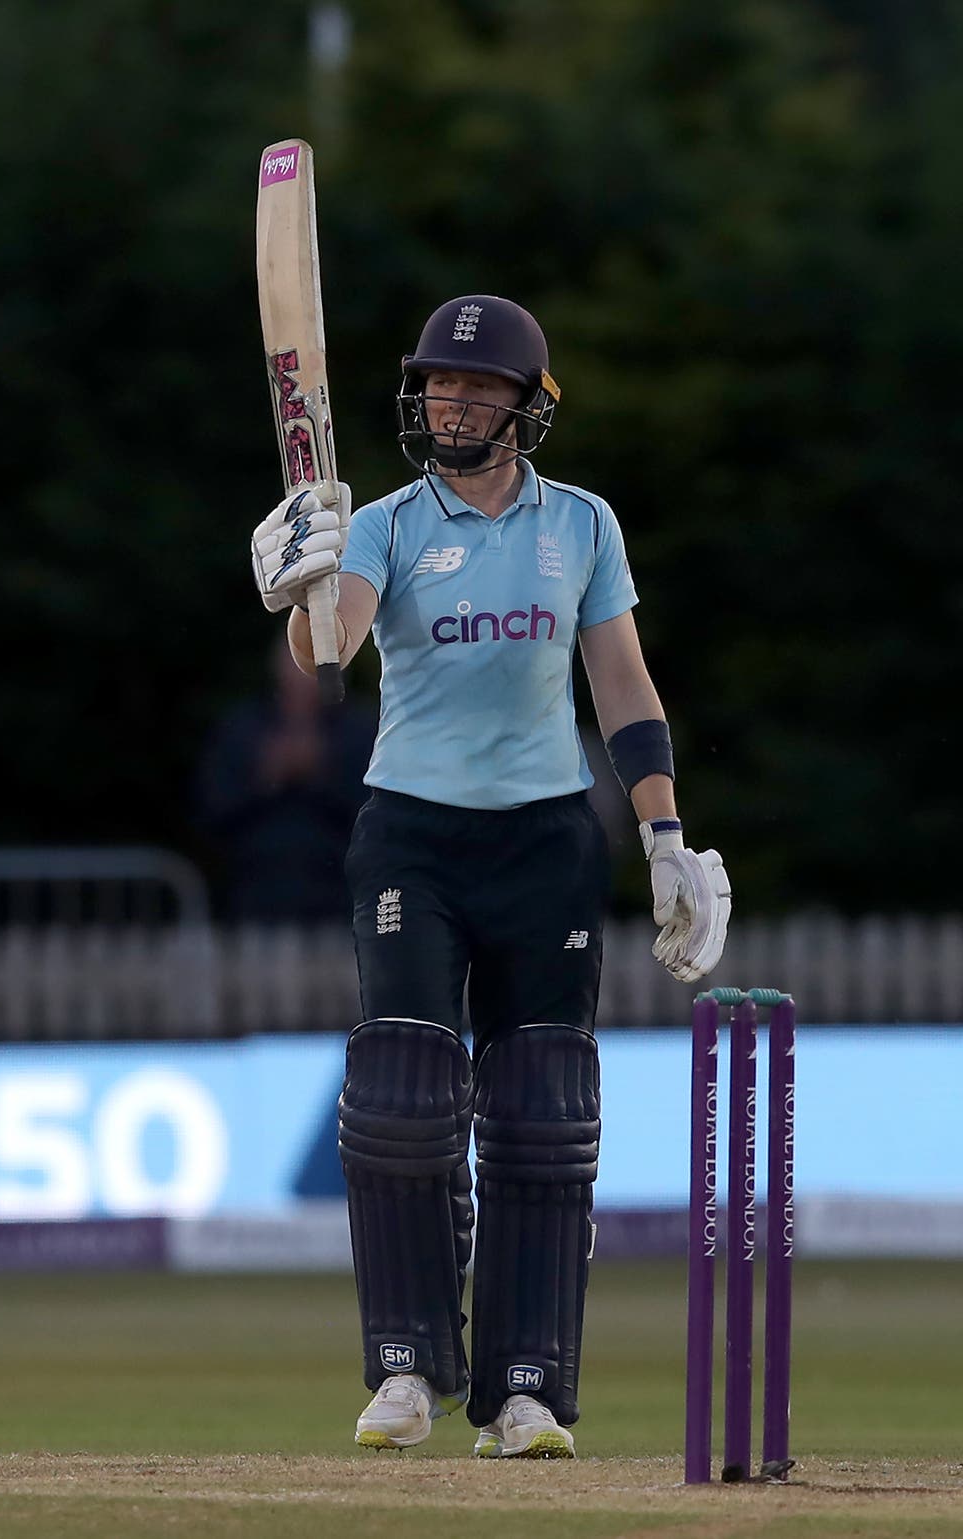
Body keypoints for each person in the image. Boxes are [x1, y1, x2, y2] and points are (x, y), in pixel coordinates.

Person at [250, 295, 731, 1459]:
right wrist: (298, 580)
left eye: (475, 389)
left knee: (540, 1116)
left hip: (547, 837)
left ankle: (526, 1390)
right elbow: (330, 650)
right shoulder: (383, 524)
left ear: (526, 405)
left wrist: (665, 835)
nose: (450, 403)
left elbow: (621, 683)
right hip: (412, 831)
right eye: (437, 385)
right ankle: (409, 1369)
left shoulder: (583, 525)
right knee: (406, 1100)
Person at [193, 638, 375, 923]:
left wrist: (322, 773)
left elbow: (378, 816)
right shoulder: (243, 730)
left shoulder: (359, 732)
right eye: (298, 662)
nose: (305, 677)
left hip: (340, 898)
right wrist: (265, 779)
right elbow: (212, 810)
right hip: (255, 895)